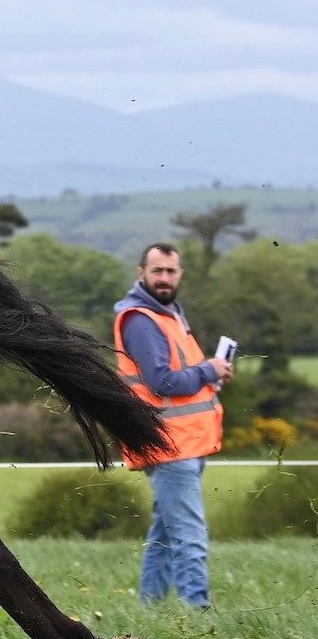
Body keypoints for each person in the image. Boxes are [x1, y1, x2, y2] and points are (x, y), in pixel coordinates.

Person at [114, 242, 231, 609]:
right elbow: (161, 383)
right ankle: (199, 617)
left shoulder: (168, 315)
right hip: (170, 446)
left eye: (171, 271)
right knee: (190, 536)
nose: (164, 278)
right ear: (141, 273)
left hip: (185, 443)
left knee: (166, 535)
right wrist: (208, 370)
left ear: (180, 274)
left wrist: (209, 374)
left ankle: (151, 610)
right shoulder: (142, 320)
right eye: (157, 271)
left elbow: (180, 380)